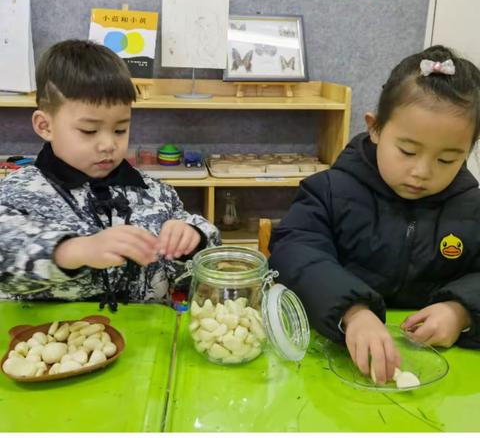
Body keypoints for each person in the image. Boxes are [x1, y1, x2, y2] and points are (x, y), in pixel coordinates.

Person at [269, 45, 480, 384]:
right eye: (407, 151)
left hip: (444, 374)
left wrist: (462, 312)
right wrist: (351, 312)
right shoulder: (329, 191)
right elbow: (295, 252)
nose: (422, 172)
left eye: (446, 160)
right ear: (376, 128)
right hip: (328, 363)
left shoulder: (472, 207)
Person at [0, 39, 220, 311]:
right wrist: (74, 250)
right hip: (51, 343)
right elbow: (6, 250)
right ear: (45, 125)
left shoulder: (155, 192)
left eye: (120, 130)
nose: (108, 144)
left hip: (150, 341)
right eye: (89, 131)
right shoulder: (18, 193)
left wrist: (193, 239)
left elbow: (195, 273)